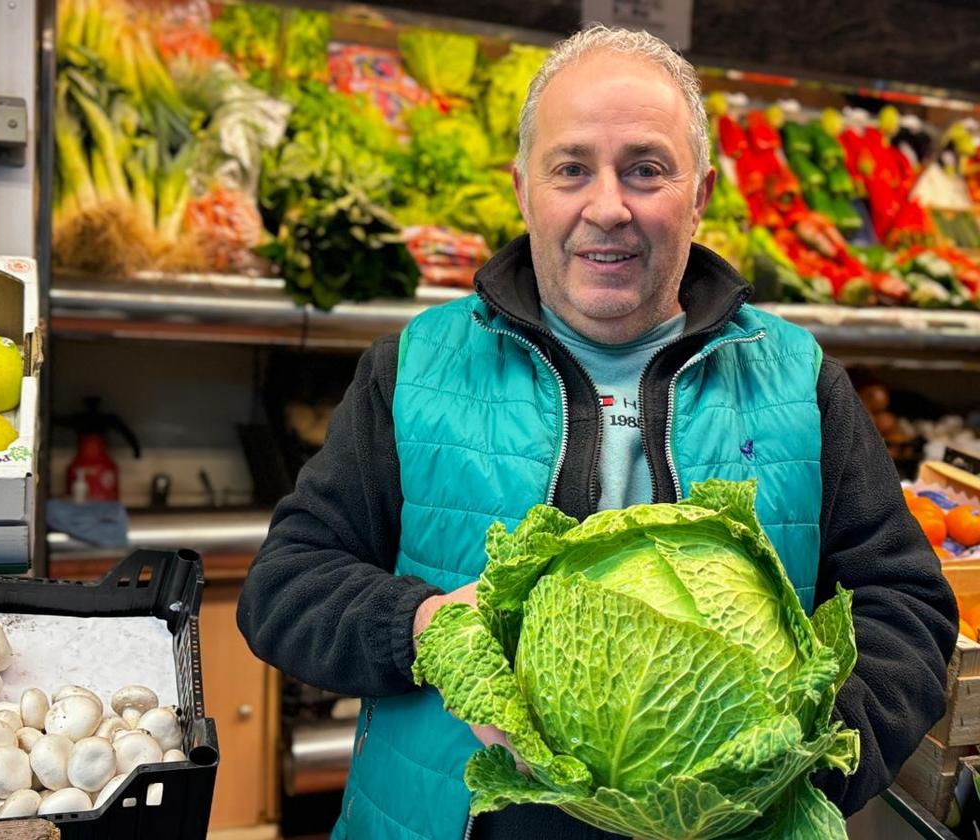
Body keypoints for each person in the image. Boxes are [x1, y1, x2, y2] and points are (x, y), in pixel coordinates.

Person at [237, 23, 958, 840]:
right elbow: (283, 588)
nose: (607, 207)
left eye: (646, 171)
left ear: (702, 194)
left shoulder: (798, 378)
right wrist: (423, 627)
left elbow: (907, 605)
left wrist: (802, 767)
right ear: (524, 189)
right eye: (572, 168)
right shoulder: (413, 368)